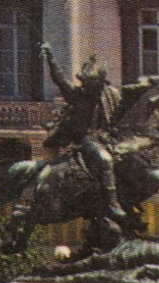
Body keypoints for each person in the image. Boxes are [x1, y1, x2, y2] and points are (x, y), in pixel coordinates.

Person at [41, 43, 127, 224]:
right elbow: (60, 79)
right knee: (104, 159)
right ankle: (112, 203)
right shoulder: (78, 95)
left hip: (109, 138)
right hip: (87, 139)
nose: (88, 88)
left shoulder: (111, 94)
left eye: (92, 85)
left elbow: (121, 115)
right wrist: (50, 59)